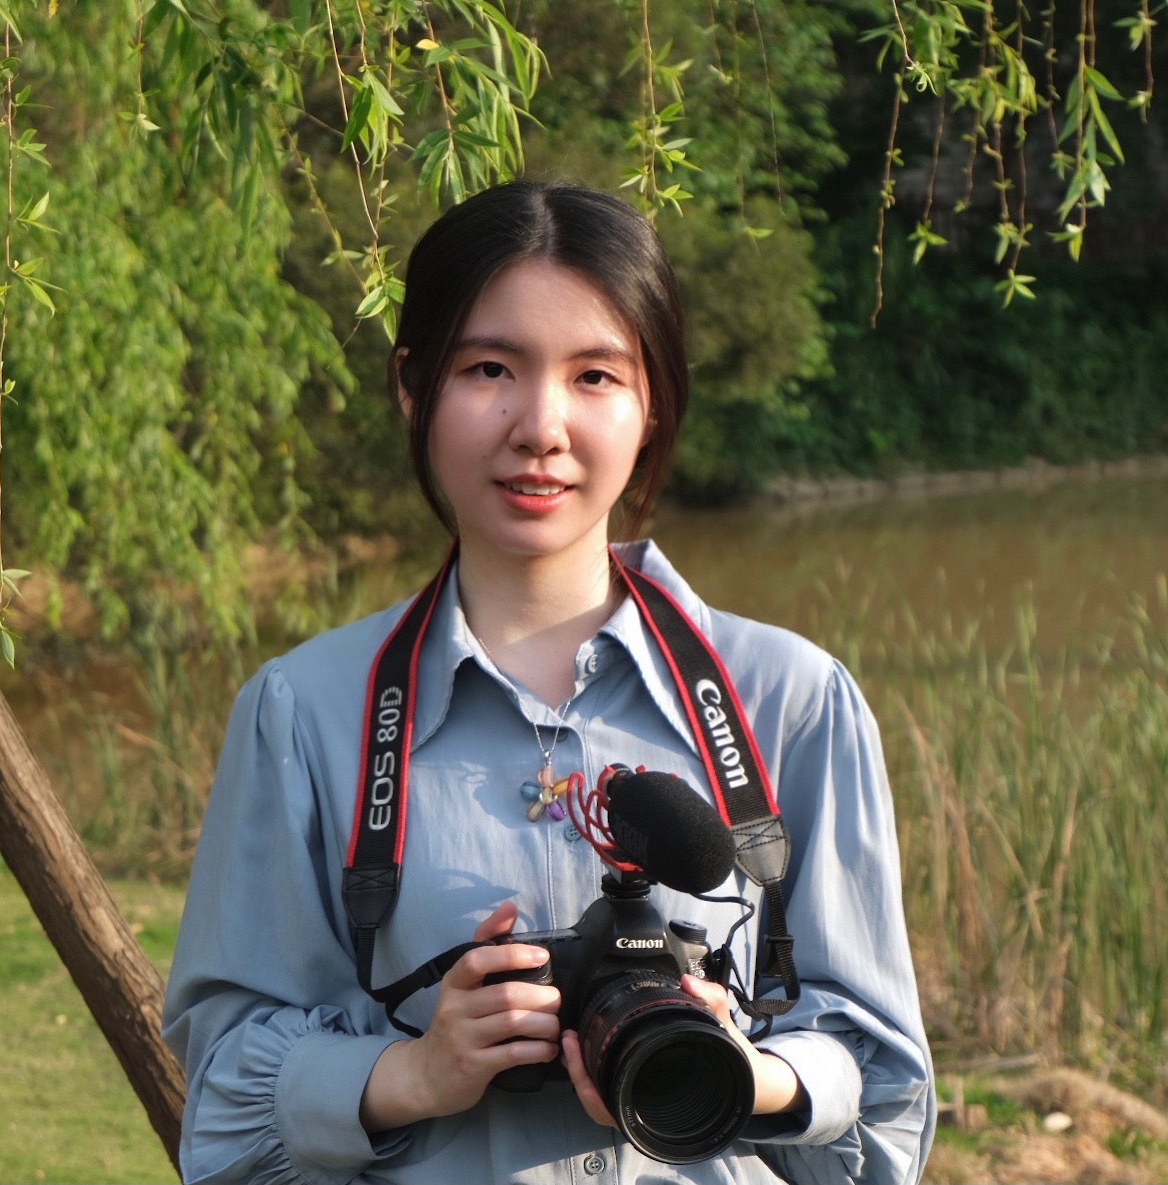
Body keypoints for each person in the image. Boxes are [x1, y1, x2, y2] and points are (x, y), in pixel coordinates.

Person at [163, 180, 935, 1185]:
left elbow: (884, 1110)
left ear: (652, 401)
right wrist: (415, 1070)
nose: (541, 426)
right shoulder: (305, 716)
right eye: (490, 368)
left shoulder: (789, 702)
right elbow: (221, 1109)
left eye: (596, 377)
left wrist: (753, 1075)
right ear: (413, 385)